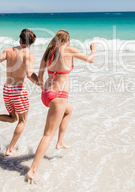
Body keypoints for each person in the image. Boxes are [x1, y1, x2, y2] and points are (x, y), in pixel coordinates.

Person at [27, 30, 96, 180]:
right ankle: (32, 169)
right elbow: (90, 60)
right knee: (47, 135)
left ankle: (60, 142)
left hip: (46, 93)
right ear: (67, 40)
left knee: (69, 110)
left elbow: (39, 77)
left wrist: (46, 91)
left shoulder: (48, 53)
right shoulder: (69, 50)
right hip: (59, 96)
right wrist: (93, 49)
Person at [0, 29, 40, 156]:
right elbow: (29, 74)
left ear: (20, 39)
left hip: (7, 89)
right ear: (32, 42)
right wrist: (42, 84)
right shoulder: (29, 55)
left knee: (13, 118)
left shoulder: (8, 51)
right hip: (18, 91)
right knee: (22, 121)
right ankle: (10, 148)